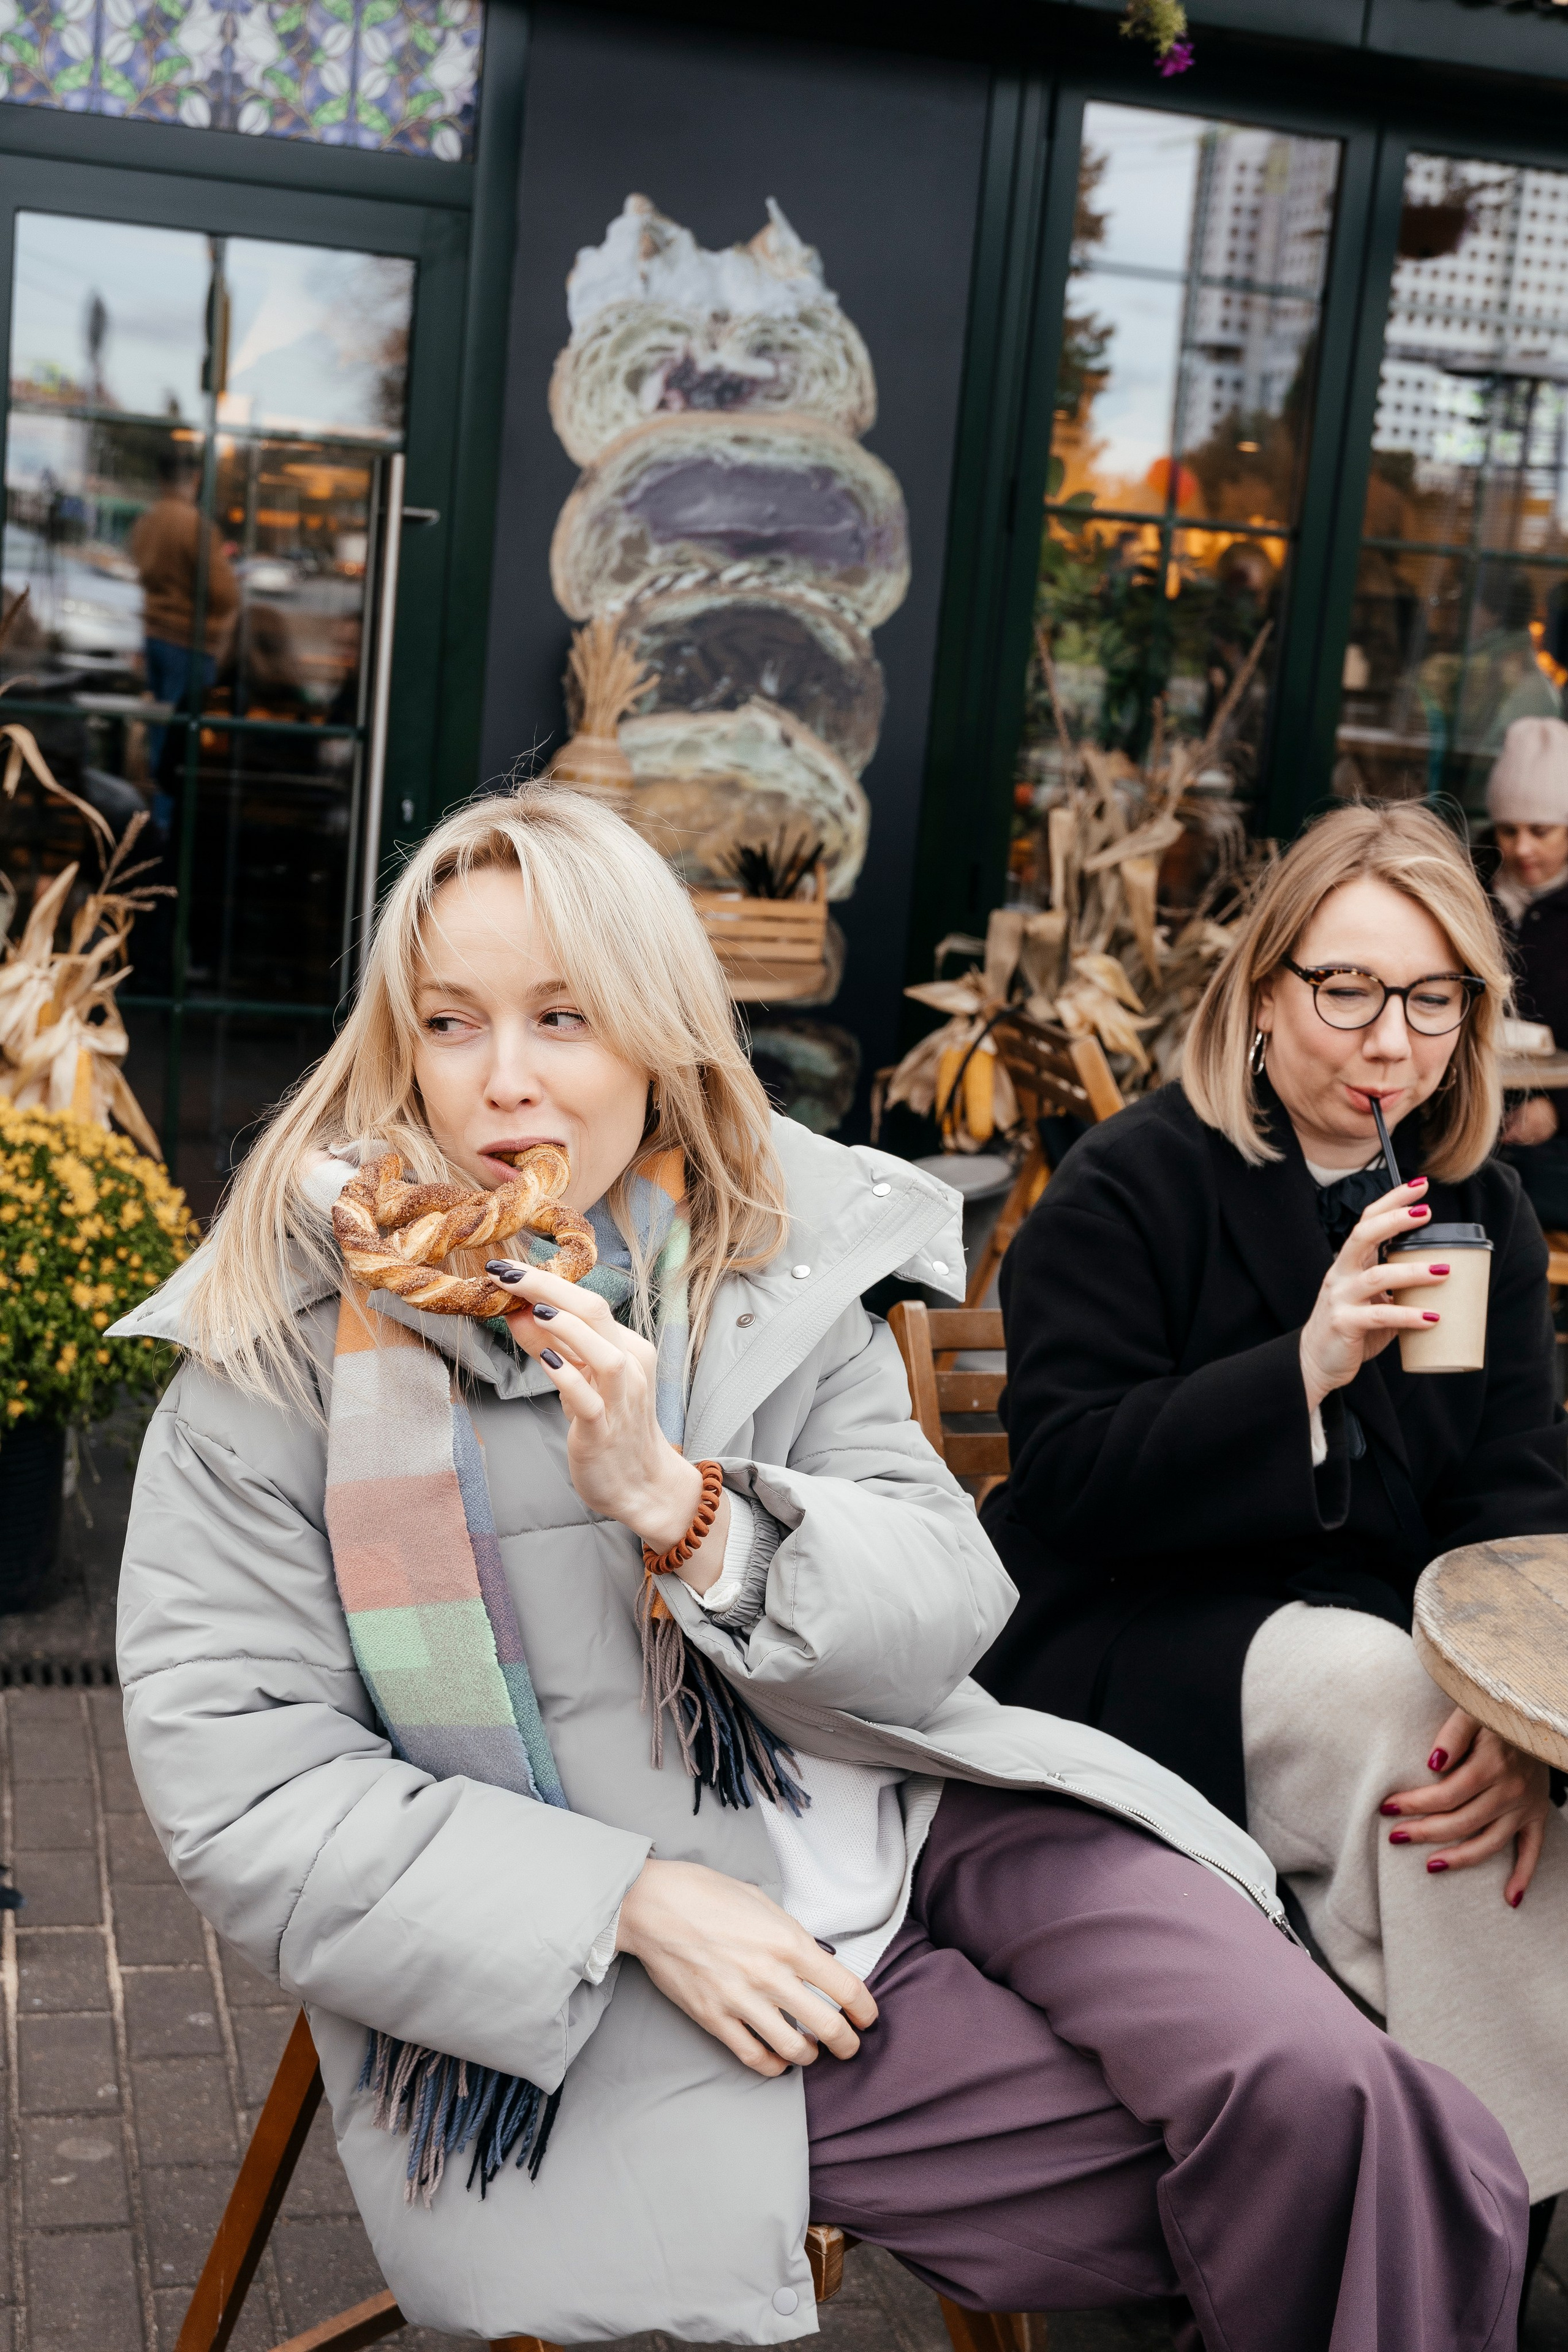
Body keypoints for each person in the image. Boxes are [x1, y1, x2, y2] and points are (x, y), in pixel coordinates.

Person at [113, 788, 1526, 2350]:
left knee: (1334, 2100)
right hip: (663, 1969)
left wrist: (684, 1507)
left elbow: (943, 1603)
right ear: (400, 1041)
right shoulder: (278, 1368)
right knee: (1389, 2161)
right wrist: (628, 1900)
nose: (503, 1079)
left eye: (563, 1015)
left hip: (934, 1807)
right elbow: (250, 1796)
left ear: (653, 1032)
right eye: (451, 1021)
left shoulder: (762, 1261)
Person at [977, 799, 1568, 2299]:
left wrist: (1511, 1715)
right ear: (1261, 993)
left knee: (1455, 1758)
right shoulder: (1131, 1182)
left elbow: (1506, 1480)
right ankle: (1493, 2200)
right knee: (1381, 1701)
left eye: (1433, 999)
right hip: (1124, 1643)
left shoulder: (1472, 1208)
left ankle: (1427, 2192)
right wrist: (1297, 1364)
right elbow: (1065, 1477)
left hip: (1374, 1655)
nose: (1390, 1041)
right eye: (1348, 989)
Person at [128, 446, 238, 826]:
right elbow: (225, 594)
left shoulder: (148, 521)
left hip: (155, 635)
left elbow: (140, 569)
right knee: (186, 749)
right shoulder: (196, 525)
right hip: (189, 643)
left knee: (162, 738)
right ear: (194, 479)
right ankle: (171, 831)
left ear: (160, 480)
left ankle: (159, 824)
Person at [1488, 716, 1568, 1230]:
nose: (1522, 849)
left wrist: (1557, 1111)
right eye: (1508, 830)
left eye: (1541, 831)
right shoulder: (1468, 890)